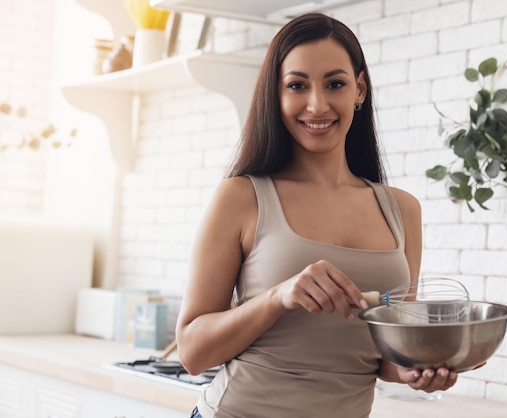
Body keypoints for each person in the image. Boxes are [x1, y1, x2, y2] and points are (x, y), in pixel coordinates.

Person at [176, 12, 458, 418]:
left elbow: (388, 359)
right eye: (297, 85)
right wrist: (278, 297)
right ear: (276, 94)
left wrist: (421, 369)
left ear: (359, 89)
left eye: (335, 84)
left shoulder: (402, 210)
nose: (317, 104)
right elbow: (192, 352)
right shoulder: (241, 198)